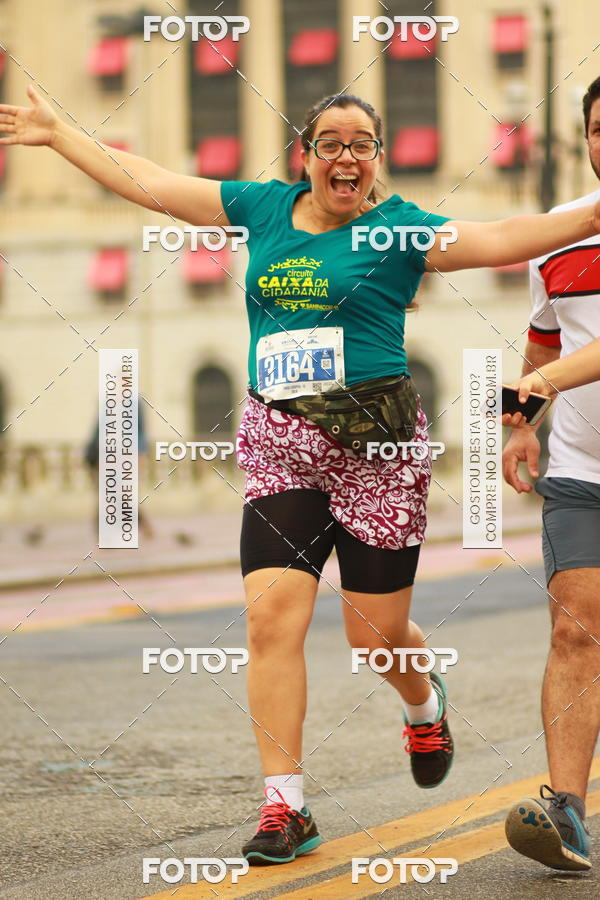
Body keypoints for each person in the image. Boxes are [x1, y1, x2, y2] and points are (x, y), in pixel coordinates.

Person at [3, 85, 600, 868]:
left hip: (379, 453)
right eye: (330, 142)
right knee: (270, 622)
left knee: (374, 635)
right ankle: (285, 806)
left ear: (376, 161)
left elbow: (510, 232)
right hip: (282, 444)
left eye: (361, 144)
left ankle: (423, 701)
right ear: (307, 154)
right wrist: (58, 134)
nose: (345, 156)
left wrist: (591, 213)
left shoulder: (401, 231)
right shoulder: (263, 209)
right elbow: (149, 182)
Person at [502, 75, 600, 873]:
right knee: (575, 629)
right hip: (582, 470)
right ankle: (566, 811)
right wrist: (516, 425)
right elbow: (542, 345)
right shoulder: (558, 240)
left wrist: (545, 383)